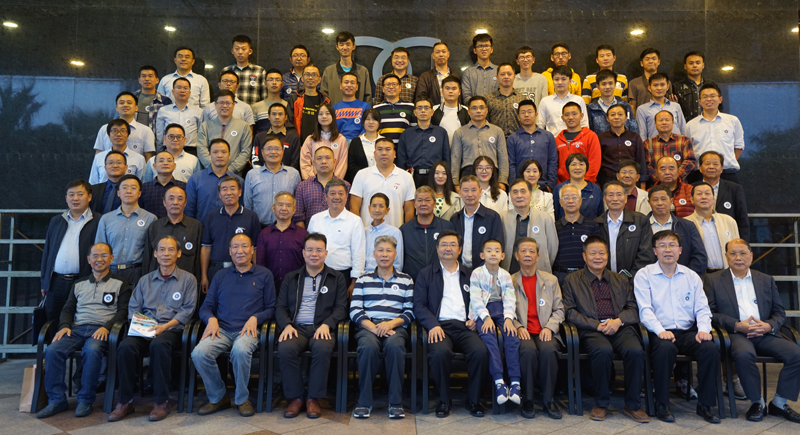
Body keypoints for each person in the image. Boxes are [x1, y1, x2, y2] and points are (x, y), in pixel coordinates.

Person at [704, 239, 800, 423]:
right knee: (744, 354)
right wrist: (736, 324)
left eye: (742, 253)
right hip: (735, 334)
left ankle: (780, 402)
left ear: (751, 256)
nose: (738, 258)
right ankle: (757, 402)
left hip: (764, 333)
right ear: (726, 256)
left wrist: (769, 325)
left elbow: (779, 312)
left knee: (796, 354)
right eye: (733, 253)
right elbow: (709, 313)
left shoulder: (765, 279)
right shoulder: (713, 280)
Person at [634, 230, 721, 424]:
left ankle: (706, 405)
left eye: (672, 245)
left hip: (688, 332)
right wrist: (660, 331)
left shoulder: (691, 276)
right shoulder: (644, 275)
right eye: (662, 245)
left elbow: (702, 308)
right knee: (665, 349)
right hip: (658, 331)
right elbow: (645, 310)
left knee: (710, 349)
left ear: (680, 250)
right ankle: (662, 404)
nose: (667, 249)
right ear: (655, 251)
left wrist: (703, 330)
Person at [36, 243, 131, 420]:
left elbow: (123, 311)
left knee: (92, 350)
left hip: (102, 330)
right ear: (88, 259)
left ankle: (85, 400)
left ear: (111, 258)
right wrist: (64, 325)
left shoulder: (121, 283)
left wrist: (107, 327)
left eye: (104, 255)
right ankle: (57, 400)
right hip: (77, 329)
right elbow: (68, 308)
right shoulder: (79, 284)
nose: (99, 259)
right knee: (52, 350)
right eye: (95, 256)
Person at [109, 236, 197, 422]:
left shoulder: (188, 279)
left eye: (171, 250)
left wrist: (164, 327)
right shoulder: (144, 281)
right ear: (155, 254)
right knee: (125, 346)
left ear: (179, 253)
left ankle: (161, 401)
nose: (166, 254)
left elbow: (187, 310)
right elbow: (134, 309)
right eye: (162, 250)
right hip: (146, 329)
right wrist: (148, 328)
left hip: (172, 330)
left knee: (159, 344)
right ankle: (125, 401)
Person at [562, 236, 649, 423]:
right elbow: (569, 312)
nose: (598, 257)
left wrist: (618, 321)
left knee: (635, 351)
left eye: (602, 253)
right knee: (602, 351)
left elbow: (633, 308)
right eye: (593, 253)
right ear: (584, 256)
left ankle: (633, 404)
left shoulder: (621, 280)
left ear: (608, 256)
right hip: (591, 329)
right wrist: (595, 324)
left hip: (619, 327)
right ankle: (601, 403)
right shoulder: (572, 280)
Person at [193, 233, 275, 417]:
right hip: (221, 330)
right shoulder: (220, 276)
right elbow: (206, 307)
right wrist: (211, 319)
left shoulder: (264, 274)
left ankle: (242, 399)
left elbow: (271, 308)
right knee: (199, 353)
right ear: (230, 251)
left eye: (244, 246)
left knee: (240, 350)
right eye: (235, 247)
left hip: (248, 330)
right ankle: (218, 397)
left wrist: (255, 318)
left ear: (252, 250)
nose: (240, 251)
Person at [412, 230, 489, 418]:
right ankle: (444, 400)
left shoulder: (470, 274)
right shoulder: (426, 274)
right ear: (437, 248)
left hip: (465, 327)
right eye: (444, 244)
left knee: (480, 352)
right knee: (439, 353)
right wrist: (433, 325)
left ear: (460, 249)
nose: (448, 248)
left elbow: (480, 301)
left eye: (453, 245)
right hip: (439, 326)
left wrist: (475, 318)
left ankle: (473, 400)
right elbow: (419, 305)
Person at [276, 233, 348, 419]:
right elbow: (280, 307)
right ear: (303, 253)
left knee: (322, 349)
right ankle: (296, 397)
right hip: (296, 328)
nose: (314, 254)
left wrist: (327, 324)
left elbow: (341, 308)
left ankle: (313, 398)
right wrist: (286, 325)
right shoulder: (292, 278)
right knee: (285, 348)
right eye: (310, 250)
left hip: (322, 328)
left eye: (318, 250)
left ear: (325, 253)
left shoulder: (337, 278)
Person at [349, 235, 414, 419]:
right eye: (380, 251)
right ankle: (364, 402)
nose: (384, 254)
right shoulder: (363, 280)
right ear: (374, 254)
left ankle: (395, 403)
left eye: (388, 251)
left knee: (395, 347)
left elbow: (410, 311)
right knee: (368, 348)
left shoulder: (406, 280)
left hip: (395, 326)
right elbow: (355, 310)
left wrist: (390, 324)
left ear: (395, 254)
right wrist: (373, 328)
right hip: (368, 326)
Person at [509, 238, 564, 419]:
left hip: (545, 331)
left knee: (549, 351)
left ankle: (548, 399)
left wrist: (549, 328)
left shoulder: (551, 280)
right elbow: (506, 311)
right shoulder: (510, 281)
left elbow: (559, 310)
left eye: (532, 251)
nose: (527, 255)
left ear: (538, 256)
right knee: (527, 351)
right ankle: (528, 399)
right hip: (523, 331)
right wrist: (517, 326)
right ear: (516, 255)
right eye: (523, 251)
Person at [469, 239, 521, 406]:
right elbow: (475, 299)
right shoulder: (476, 273)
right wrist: (485, 317)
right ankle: (499, 382)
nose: (493, 254)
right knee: (489, 339)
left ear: (503, 256)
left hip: (502, 309)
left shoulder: (505, 275)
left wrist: (509, 319)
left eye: (497, 251)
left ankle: (515, 383)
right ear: (482, 255)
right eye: (489, 250)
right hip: (483, 310)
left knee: (512, 337)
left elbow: (510, 298)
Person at [41, 180, 100, 322]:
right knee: (52, 320)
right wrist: (44, 282)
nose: (75, 198)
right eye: (71, 195)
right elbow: (47, 252)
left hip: (83, 281)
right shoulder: (56, 221)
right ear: (66, 198)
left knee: (79, 321)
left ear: (89, 197)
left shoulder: (99, 220)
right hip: (56, 282)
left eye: (80, 194)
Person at [199, 176, 261, 292]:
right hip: (216, 270)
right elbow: (206, 247)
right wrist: (204, 275)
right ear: (219, 194)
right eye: (224, 189)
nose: (228, 193)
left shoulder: (251, 216)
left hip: (243, 270)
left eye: (232, 188)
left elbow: (255, 249)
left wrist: (254, 274)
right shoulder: (212, 216)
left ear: (240, 192)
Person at [95, 174, 157, 286]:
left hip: (137, 272)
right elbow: (99, 249)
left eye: (133, 188)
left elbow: (152, 252)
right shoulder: (106, 219)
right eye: (124, 187)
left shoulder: (150, 218)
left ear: (139, 193)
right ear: (118, 193)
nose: (129, 191)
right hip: (111, 272)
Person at [307, 179, 366, 292]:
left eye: (341, 193)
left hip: (344, 275)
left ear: (347, 196)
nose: (337, 197)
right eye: (332, 193)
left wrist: (354, 281)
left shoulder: (355, 221)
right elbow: (308, 248)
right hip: (317, 274)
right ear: (325, 196)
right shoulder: (315, 219)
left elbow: (358, 253)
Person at [686, 82, 745, 184]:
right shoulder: (690, 125)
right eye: (705, 97)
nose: (709, 99)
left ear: (720, 99)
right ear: (700, 101)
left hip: (727, 173)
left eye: (712, 96)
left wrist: (723, 165)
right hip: (699, 175)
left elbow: (739, 146)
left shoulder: (732, 121)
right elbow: (687, 151)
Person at [594, 181, 655, 278]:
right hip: (603, 280)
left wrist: (630, 279)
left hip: (634, 280)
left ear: (626, 198)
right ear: (604, 199)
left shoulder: (640, 221)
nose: (615, 199)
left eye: (619, 194)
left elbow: (646, 254)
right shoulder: (596, 224)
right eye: (611, 195)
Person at [141, 186, 203, 276]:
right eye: (171, 198)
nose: (175, 202)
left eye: (180, 199)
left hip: (186, 281)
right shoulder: (154, 226)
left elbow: (198, 259)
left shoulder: (196, 226)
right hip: (157, 281)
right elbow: (147, 258)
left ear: (185, 203)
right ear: (164, 202)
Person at [647, 185, 707, 276]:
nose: (660, 203)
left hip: (683, 278)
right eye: (655, 200)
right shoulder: (641, 226)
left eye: (663, 199)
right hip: (650, 279)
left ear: (671, 201)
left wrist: (683, 276)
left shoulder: (687, 226)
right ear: (649, 202)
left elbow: (700, 257)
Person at [502, 179, 557, 276]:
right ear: (510, 196)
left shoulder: (545, 218)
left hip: (538, 274)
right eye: (515, 192)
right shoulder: (502, 218)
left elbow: (552, 248)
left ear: (530, 195)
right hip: (508, 275)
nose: (519, 195)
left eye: (523, 191)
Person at [399, 186, 455, 280]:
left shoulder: (447, 227)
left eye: (427, 200)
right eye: (420, 200)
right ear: (414, 204)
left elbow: (454, 254)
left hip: (441, 279)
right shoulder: (404, 229)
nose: (423, 204)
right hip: (412, 281)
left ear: (434, 203)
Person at [244, 135, 301, 227]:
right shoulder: (252, 175)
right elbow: (248, 205)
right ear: (262, 152)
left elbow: (298, 203)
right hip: (258, 226)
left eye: (277, 149)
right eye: (269, 148)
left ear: (282, 152)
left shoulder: (293, 174)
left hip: (286, 226)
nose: (273, 152)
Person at [256, 192, 308, 291]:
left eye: (288, 205)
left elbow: (306, 264)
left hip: (296, 288)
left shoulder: (303, 234)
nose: (284, 208)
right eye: (280, 205)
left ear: (294, 210)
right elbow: (260, 264)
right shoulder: (264, 234)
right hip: (270, 288)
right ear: (273, 208)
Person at [450, 175, 504, 269]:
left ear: (480, 191)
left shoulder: (492, 217)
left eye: (473, 190)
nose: (470, 194)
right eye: (466, 190)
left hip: (485, 270)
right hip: (460, 270)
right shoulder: (455, 219)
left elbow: (497, 247)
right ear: (460, 193)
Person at [450, 97, 508, 185]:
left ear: (487, 110)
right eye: (474, 108)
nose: (478, 111)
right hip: (468, 172)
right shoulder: (460, 132)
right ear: (469, 111)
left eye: (481, 108)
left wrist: (502, 180)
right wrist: (455, 183)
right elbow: (455, 159)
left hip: (492, 173)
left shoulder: (497, 131)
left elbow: (503, 158)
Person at [685, 182, 740, 272]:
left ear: (713, 198)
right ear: (692, 199)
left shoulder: (728, 221)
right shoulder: (685, 223)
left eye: (707, 193)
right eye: (699, 194)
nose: (704, 197)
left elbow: (738, 249)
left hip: (727, 272)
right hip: (699, 274)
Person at [397, 98, 451, 188]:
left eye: (426, 108)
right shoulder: (406, 134)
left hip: (435, 176)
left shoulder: (441, 132)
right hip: (412, 177)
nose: (423, 110)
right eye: (419, 108)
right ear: (415, 112)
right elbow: (401, 160)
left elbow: (446, 158)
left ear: (432, 112)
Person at [552, 185, 601, 283]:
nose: (570, 201)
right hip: (560, 277)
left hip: (586, 276)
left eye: (574, 197)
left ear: (580, 200)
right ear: (560, 202)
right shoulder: (554, 227)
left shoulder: (592, 225)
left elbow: (597, 252)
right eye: (566, 198)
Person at [185, 139, 244, 220]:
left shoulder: (238, 181)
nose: (220, 155)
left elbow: (241, 208)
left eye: (224, 152)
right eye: (215, 152)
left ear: (229, 155)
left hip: (231, 226)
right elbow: (189, 209)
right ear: (209, 155)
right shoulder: (195, 179)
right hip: (202, 226)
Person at [696, 151, 749, 240]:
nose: (711, 167)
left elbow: (742, 219)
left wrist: (743, 243)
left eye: (715, 164)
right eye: (707, 164)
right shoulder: (692, 188)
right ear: (700, 168)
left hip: (728, 238)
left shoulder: (734, 189)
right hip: (700, 237)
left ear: (721, 168)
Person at [197, 91, 253, 175]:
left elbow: (245, 152)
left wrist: (230, 170)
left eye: (228, 103)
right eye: (221, 103)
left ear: (233, 105)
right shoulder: (205, 126)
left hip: (233, 175)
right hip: (209, 173)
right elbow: (201, 149)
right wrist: (213, 168)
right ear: (215, 105)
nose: (225, 106)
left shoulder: (243, 126)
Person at [293, 146, 351, 227]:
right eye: (319, 158)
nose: (323, 161)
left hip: (340, 232)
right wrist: (306, 235)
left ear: (334, 161)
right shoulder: (303, 187)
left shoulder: (345, 186)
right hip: (310, 233)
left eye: (328, 158)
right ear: (313, 162)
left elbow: (349, 214)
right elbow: (298, 218)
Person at [506, 100, 557, 189]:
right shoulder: (512, 138)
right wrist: (513, 185)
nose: (526, 115)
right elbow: (511, 164)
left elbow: (552, 162)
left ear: (536, 115)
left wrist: (550, 185)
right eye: (523, 112)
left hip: (543, 185)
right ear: (518, 117)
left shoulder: (548, 136)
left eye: (530, 112)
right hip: (520, 186)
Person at [93, 92, 156, 161]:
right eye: (121, 103)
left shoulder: (146, 131)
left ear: (136, 108)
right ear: (117, 108)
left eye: (129, 103)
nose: (125, 105)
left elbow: (148, 158)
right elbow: (99, 155)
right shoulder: (104, 129)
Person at [596, 104, 647, 187]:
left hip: (630, 178)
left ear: (626, 117)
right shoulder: (601, 138)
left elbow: (641, 160)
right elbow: (597, 162)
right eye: (613, 115)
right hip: (607, 179)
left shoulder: (635, 137)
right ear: (607, 119)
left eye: (620, 114)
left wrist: (643, 183)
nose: (616, 117)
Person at [644, 111, 697, 182]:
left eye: (667, 120)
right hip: (657, 185)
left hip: (680, 183)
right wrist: (660, 178)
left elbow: (690, 160)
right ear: (655, 124)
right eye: (661, 120)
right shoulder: (648, 143)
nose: (664, 123)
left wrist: (675, 177)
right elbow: (646, 165)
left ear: (672, 123)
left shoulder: (684, 140)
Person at [299, 102, 348, 180]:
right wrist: (313, 181)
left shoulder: (341, 139)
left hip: (334, 183)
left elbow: (342, 164)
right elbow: (305, 163)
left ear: (333, 116)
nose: (324, 116)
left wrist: (334, 182)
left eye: (327, 113)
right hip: (313, 183)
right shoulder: (310, 139)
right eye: (321, 114)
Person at [320, 31, 371, 104]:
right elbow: (324, 97)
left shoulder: (363, 71)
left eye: (348, 44)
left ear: (353, 46)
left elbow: (368, 98)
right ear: (337, 47)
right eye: (341, 44)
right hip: (334, 111)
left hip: (358, 111)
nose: (345, 47)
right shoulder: (329, 71)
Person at [154, 78, 204, 153]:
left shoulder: (198, 111)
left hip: (191, 150)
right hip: (169, 149)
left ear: (189, 92)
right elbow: (160, 134)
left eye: (185, 88)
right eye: (179, 87)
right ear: (173, 91)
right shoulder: (163, 110)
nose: (182, 91)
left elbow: (201, 135)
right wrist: (160, 152)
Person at [555, 102, 600, 183]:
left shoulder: (591, 136)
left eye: (574, 114)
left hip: (585, 184)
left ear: (581, 116)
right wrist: (558, 184)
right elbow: (554, 164)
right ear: (562, 118)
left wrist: (585, 183)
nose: (570, 117)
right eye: (567, 115)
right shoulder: (557, 140)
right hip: (562, 185)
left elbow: (594, 163)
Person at [88, 120, 146, 184]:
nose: (118, 134)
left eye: (122, 131)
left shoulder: (139, 159)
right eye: (114, 131)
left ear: (127, 136)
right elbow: (93, 183)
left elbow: (142, 184)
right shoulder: (99, 157)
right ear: (109, 135)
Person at [538, 66, 589, 136]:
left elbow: (584, 125)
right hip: (552, 141)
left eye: (563, 79)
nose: (560, 82)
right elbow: (540, 126)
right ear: (552, 81)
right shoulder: (545, 101)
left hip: (575, 140)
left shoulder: (578, 100)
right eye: (556, 79)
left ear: (570, 81)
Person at [586, 69, 639, 136]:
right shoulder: (591, 108)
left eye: (610, 83)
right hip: (599, 142)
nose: (607, 87)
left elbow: (634, 129)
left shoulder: (625, 106)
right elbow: (589, 132)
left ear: (615, 85)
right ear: (598, 86)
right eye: (604, 84)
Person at [635, 73, 687, 141]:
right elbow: (642, 134)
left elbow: (683, 129)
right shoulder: (642, 109)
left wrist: (685, 144)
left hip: (677, 145)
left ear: (668, 87)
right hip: (654, 146)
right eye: (655, 85)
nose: (659, 88)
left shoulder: (676, 106)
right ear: (649, 88)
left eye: (662, 85)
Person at [287, 64, 331, 142]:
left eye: (314, 75)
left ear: (319, 79)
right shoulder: (294, 99)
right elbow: (289, 124)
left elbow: (328, 125)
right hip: (299, 143)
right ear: (302, 78)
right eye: (307, 74)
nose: (310, 77)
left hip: (320, 143)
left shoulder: (325, 100)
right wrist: (296, 143)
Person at [553, 153, 603, 221]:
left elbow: (600, 215)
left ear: (586, 167)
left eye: (581, 164)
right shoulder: (559, 188)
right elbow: (555, 215)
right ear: (568, 167)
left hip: (592, 227)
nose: (577, 168)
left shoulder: (595, 189)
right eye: (573, 164)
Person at [251, 103, 301, 171]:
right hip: (262, 174)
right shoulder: (259, 137)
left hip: (287, 175)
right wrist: (262, 174)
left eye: (280, 114)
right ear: (269, 117)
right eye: (274, 114)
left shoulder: (293, 137)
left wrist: (287, 174)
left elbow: (295, 162)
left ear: (286, 117)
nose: (277, 117)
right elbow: (255, 158)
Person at [221, 35, 267, 107]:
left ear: (250, 51)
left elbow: (265, 97)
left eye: (243, 49)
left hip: (253, 113)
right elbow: (221, 95)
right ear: (232, 51)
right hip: (230, 112)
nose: (240, 52)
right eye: (237, 49)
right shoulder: (226, 71)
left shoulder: (260, 71)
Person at [363, 193, 404, 272]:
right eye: (374, 206)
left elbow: (397, 264)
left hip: (386, 276)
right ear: (369, 208)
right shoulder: (363, 232)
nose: (377, 210)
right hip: (363, 276)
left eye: (381, 206)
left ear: (387, 210)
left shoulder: (394, 232)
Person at [140, 151, 187, 218]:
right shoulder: (144, 188)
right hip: (150, 224)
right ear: (154, 166)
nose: (165, 163)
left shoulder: (184, 187)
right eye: (161, 161)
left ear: (174, 166)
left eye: (169, 160)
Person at [373, 74, 416, 145]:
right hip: (383, 148)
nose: (391, 87)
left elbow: (414, 131)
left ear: (400, 88)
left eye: (394, 84)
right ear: (383, 89)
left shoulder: (410, 107)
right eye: (388, 84)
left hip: (404, 148)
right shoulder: (376, 108)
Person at [628, 48, 674, 114]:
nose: (651, 61)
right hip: (642, 118)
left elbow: (669, 103)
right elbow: (632, 106)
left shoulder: (666, 82)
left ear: (658, 62)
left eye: (653, 58)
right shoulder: (634, 83)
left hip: (662, 118)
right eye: (647, 59)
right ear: (641, 63)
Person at [415, 42, 460, 107]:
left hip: (453, 111)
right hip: (433, 112)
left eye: (443, 52)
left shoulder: (456, 76)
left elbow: (460, 99)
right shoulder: (425, 77)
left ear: (448, 54)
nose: (441, 54)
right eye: (437, 52)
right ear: (433, 55)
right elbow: (420, 99)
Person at [485, 63, 525, 137]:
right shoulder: (488, 99)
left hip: (518, 139)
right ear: (497, 77)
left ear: (514, 76)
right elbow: (484, 122)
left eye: (509, 74)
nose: (506, 77)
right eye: (502, 74)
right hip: (496, 139)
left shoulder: (522, 99)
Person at [345, 108, 383, 183]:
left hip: (382, 181)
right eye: (368, 119)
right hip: (361, 182)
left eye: (374, 119)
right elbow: (352, 166)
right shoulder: (355, 142)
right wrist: (366, 177)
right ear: (363, 122)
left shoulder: (385, 141)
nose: (371, 122)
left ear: (379, 123)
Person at [333, 72, 372, 141]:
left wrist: (357, 141)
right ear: (341, 86)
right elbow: (331, 129)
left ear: (357, 87)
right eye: (346, 82)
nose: (349, 85)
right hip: (338, 142)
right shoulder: (334, 108)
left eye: (352, 82)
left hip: (361, 142)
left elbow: (368, 126)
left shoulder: (365, 106)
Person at [673, 51, 711, 121]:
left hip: (709, 124)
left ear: (703, 65)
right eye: (691, 63)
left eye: (698, 63)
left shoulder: (711, 86)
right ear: (685, 66)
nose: (694, 66)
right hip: (686, 125)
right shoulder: (676, 86)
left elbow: (718, 107)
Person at [431, 76, 470, 143]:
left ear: (459, 92)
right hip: (439, 148)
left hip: (461, 148)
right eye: (447, 88)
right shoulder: (433, 110)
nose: (450, 91)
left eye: (454, 88)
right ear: (442, 91)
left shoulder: (467, 111)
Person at [133, 65, 172, 131]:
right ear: (139, 80)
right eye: (143, 76)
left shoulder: (165, 101)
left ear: (157, 80)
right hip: (134, 136)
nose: (147, 79)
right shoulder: (131, 98)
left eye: (150, 76)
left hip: (156, 137)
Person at [461, 33, 498, 101]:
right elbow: (466, 96)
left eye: (487, 46)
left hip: (495, 107)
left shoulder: (499, 71)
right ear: (474, 50)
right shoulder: (468, 73)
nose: (484, 49)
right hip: (474, 108)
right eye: (480, 46)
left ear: (491, 49)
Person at [252, 69, 288, 133]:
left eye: (277, 80)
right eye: (270, 80)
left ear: (282, 84)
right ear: (265, 83)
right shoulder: (256, 106)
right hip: (262, 139)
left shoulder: (287, 106)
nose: (274, 82)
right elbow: (253, 131)